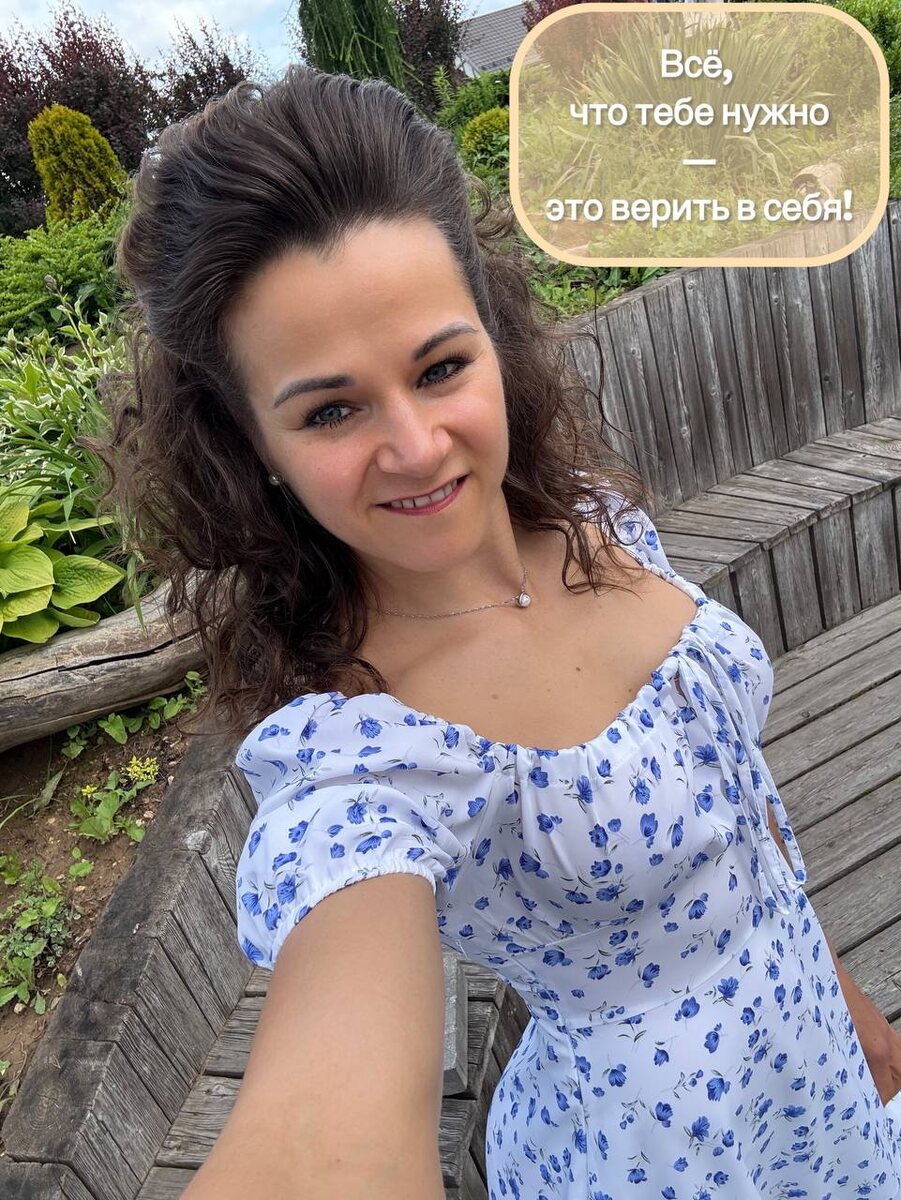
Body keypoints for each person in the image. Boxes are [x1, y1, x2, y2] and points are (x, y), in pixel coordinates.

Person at [91, 64, 901, 1199]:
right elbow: (325, 1122)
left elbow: (742, 815)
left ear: (491, 336)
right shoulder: (362, 760)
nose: (417, 446)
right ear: (250, 446)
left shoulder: (596, 523)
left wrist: (847, 1001)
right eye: (331, 409)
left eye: (439, 367)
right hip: (658, 1160)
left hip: (817, 1069)